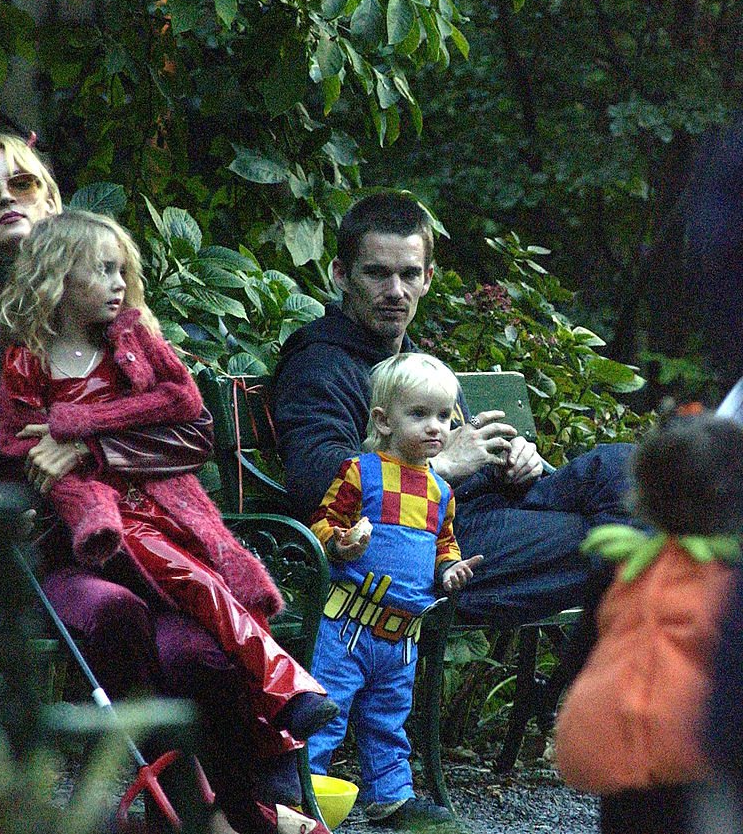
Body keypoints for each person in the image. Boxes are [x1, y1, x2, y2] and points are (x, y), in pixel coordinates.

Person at [0, 136, 324, 834]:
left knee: (199, 652)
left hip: (154, 531)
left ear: (51, 200)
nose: (6, 198)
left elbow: (191, 432)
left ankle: (222, 812)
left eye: (21, 183)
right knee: (114, 613)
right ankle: (197, 811)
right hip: (54, 544)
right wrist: (51, 477)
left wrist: (82, 438)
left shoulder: (110, 303)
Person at [0, 210, 336, 741]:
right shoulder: (29, 360)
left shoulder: (129, 343)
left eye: (122, 270)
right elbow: (19, 441)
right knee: (193, 580)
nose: (119, 284)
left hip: (165, 504)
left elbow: (183, 402)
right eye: (103, 270)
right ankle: (285, 686)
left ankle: (273, 729)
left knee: (208, 587)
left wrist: (83, 429)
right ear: (58, 278)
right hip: (105, 520)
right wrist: (85, 497)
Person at [272, 191, 634, 625]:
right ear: (342, 275)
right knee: (617, 541)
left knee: (625, 468)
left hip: (479, 511)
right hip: (423, 547)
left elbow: (464, 462)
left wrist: (511, 462)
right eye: (376, 274)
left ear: (427, 278)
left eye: (409, 275)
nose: (395, 291)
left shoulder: (413, 363)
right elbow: (313, 478)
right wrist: (441, 463)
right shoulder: (320, 365)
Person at [307, 352, 482, 831]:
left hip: (402, 634)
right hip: (348, 626)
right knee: (328, 707)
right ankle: (306, 789)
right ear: (382, 421)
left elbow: (443, 543)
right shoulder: (360, 472)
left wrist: (450, 571)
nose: (436, 428)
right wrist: (340, 545)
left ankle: (392, 797)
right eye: (420, 415)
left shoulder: (438, 491)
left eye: (445, 417)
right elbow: (322, 521)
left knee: (389, 718)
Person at [554, 410, 743, 834]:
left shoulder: (624, 565)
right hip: (693, 752)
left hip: (612, 745)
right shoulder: (730, 579)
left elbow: (580, 653)